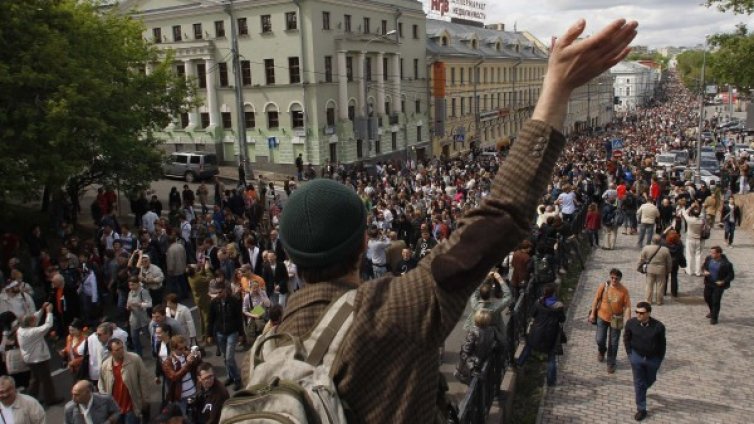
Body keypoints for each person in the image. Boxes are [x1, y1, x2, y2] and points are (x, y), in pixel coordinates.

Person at [271, 18, 638, 422]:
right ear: (362, 244)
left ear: (290, 256)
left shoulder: (272, 348)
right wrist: (557, 87)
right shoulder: (392, 311)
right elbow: (500, 217)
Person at [623, 302, 666, 421]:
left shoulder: (658, 327)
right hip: (636, 357)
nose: (638, 315)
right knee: (639, 383)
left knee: (650, 380)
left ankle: (643, 389)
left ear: (648, 313)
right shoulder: (631, 323)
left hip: (652, 360)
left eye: (641, 313)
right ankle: (641, 409)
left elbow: (662, 345)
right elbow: (626, 338)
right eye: (637, 312)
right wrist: (630, 354)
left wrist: (659, 360)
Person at [516, 283, 566, 386]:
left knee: (528, 347)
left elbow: (532, 314)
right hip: (551, 335)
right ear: (553, 293)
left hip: (537, 333)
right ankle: (551, 381)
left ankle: (519, 364)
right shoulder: (558, 306)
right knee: (551, 357)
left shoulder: (538, 303)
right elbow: (562, 319)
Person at [16, 302, 62, 406]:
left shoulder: (21, 330)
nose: (35, 320)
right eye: (33, 321)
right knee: (46, 379)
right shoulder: (32, 333)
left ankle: (30, 398)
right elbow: (48, 325)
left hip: (30, 359)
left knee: (35, 379)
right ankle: (50, 399)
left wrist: (41, 309)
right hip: (38, 359)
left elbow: (33, 318)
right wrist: (49, 312)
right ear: (30, 323)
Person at [588, 268, 631, 374]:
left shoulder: (624, 291)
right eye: (612, 277)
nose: (614, 280)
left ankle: (611, 363)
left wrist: (628, 320)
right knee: (600, 339)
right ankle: (602, 350)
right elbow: (596, 300)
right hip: (602, 317)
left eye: (616, 278)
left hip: (616, 319)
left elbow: (628, 306)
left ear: (620, 279)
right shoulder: (603, 286)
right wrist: (593, 313)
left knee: (614, 342)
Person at [99, 338, 150, 424]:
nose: (121, 351)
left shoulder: (134, 359)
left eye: (122, 348)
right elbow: (101, 385)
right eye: (117, 349)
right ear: (111, 352)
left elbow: (143, 379)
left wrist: (145, 399)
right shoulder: (105, 366)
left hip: (131, 407)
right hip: (115, 409)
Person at [207, 281, 243, 390]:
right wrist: (209, 334)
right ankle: (230, 376)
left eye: (220, 292)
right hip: (220, 334)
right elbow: (210, 319)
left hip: (232, 332)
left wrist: (241, 334)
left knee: (229, 358)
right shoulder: (214, 303)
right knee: (225, 357)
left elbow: (239, 318)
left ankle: (237, 379)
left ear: (225, 290)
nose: (218, 294)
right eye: (216, 292)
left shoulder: (234, 301)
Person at [161, 335, 202, 415]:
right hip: (181, 396)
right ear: (173, 349)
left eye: (185, 347)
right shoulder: (168, 362)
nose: (183, 350)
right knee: (183, 418)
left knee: (196, 416)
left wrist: (198, 357)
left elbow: (199, 366)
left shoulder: (187, 355)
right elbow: (174, 377)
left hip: (193, 392)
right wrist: (188, 364)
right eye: (180, 349)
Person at [455, 309, 496, 385]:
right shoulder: (491, 330)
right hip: (484, 361)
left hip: (474, 364)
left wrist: (471, 366)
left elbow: (466, 350)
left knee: (472, 385)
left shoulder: (474, 332)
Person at [702, 246, 735, 325]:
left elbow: (731, 275)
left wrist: (723, 281)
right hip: (708, 283)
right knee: (707, 298)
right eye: (711, 252)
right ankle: (712, 311)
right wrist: (704, 271)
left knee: (716, 301)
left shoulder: (726, 264)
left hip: (718, 285)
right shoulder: (709, 259)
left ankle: (714, 318)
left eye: (713, 253)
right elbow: (703, 266)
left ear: (719, 253)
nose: (711, 254)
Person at [638, 235, 672, 305]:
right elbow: (669, 262)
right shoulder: (665, 250)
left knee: (649, 285)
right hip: (661, 269)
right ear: (660, 241)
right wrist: (668, 270)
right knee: (660, 286)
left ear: (652, 240)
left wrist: (639, 267)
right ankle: (659, 301)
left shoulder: (646, 248)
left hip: (650, 269)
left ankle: (648, 300)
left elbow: (641, 259)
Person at [78, 322, 114, 387]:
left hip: (98, 374)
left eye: (100, 334)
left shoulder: (112, 342)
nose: (97, 336)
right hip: (99, 375)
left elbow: (79, 351)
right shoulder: (91, 338)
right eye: (97, 334)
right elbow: (79, 351)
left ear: (108, 334)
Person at [126, 277, 152, 357]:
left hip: (143, 318)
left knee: (149, 335)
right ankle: (139, 356)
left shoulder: (143, 292)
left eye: (132, 285)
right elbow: (128, 303)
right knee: (134, 338)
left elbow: (149, 304)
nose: (131, 287)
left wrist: (139, 304)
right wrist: (128, 307)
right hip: (134, 319)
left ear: (137, 283)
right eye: (130, 285)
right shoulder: (130, 293)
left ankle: (156, 350)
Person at [681, 202, 705, 276]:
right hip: (699, 239)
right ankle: (698, 272)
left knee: (689, 255)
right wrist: (700, 207)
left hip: (690, 239)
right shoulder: (701, 220)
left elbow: (684, 213)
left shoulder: (690, 220)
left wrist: (691, 207)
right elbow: (702, 213)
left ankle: (689, 270)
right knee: (698, 256)